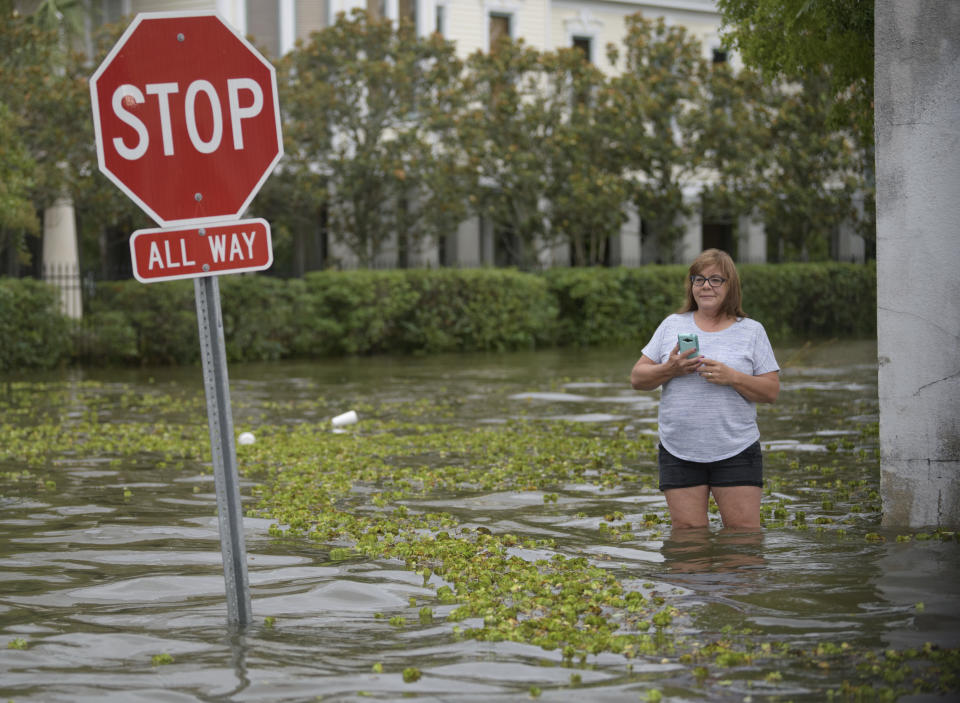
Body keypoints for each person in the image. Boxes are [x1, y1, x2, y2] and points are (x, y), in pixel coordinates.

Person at [630, 249, 779, 531]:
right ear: (691, 286)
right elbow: (637, 379)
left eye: (715, 279)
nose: (706, 286)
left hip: (736, 449)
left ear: (730, 286)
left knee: (743, 537)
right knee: (688, 541)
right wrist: (670, 369)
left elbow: (771, 391)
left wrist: (732, 376)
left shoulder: (752, 330)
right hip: (679, 450)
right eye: (699, 279)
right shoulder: (671, 325)